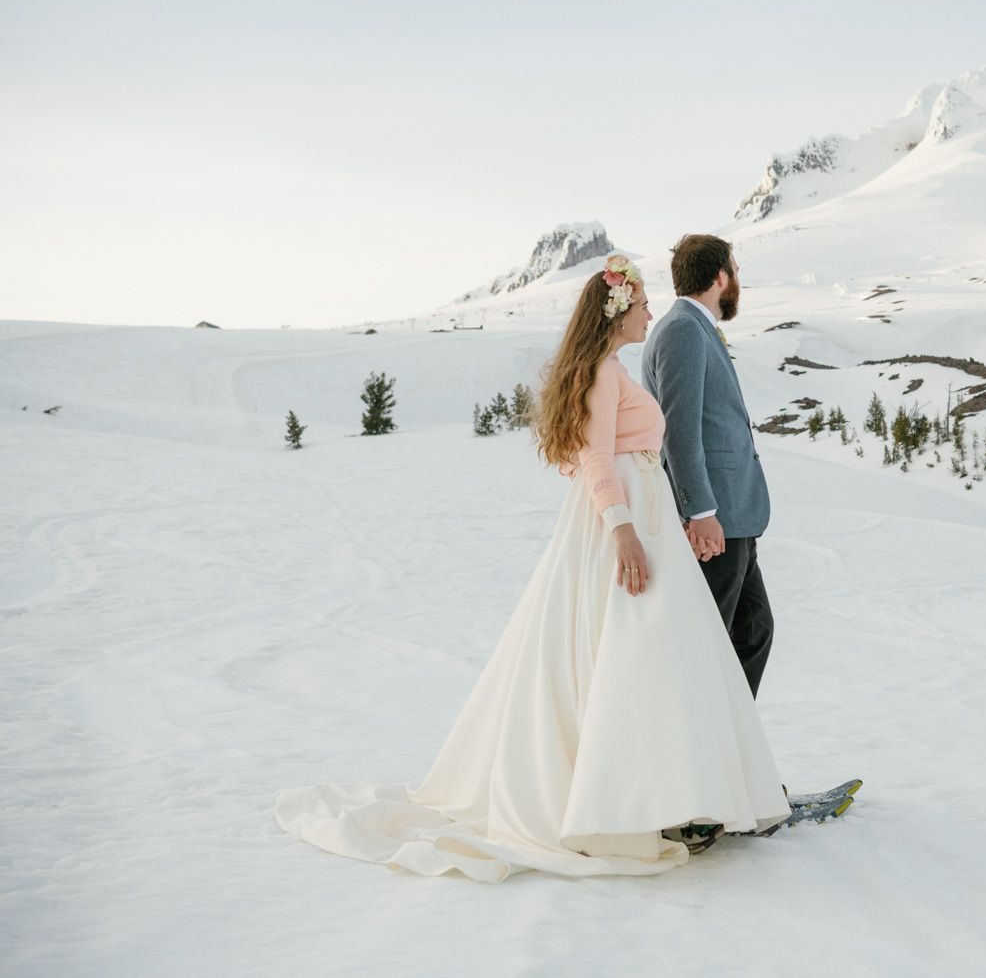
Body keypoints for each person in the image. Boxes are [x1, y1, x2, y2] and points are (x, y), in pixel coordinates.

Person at [273, 255, 789, 881]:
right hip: (628, 525)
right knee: (636, 656)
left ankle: (680, 790)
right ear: (618, 313)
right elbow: (596, 461)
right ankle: (640, 798)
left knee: (659, 659)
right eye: (642, 303)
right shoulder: (603, 375)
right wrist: (623, 531)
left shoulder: (615, 369)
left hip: (647, 513)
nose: (650, 312)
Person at [640, 235, 774, 699]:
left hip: (735, 516)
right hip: (715, 521)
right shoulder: (681, 330)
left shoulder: (697, 328)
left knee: (753, 632)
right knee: (707, 645)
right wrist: (700, 512)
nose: (738, 279)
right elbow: (680, 431)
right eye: (734, 270)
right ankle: (704, 762)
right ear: (720, 276)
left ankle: (737, 757)